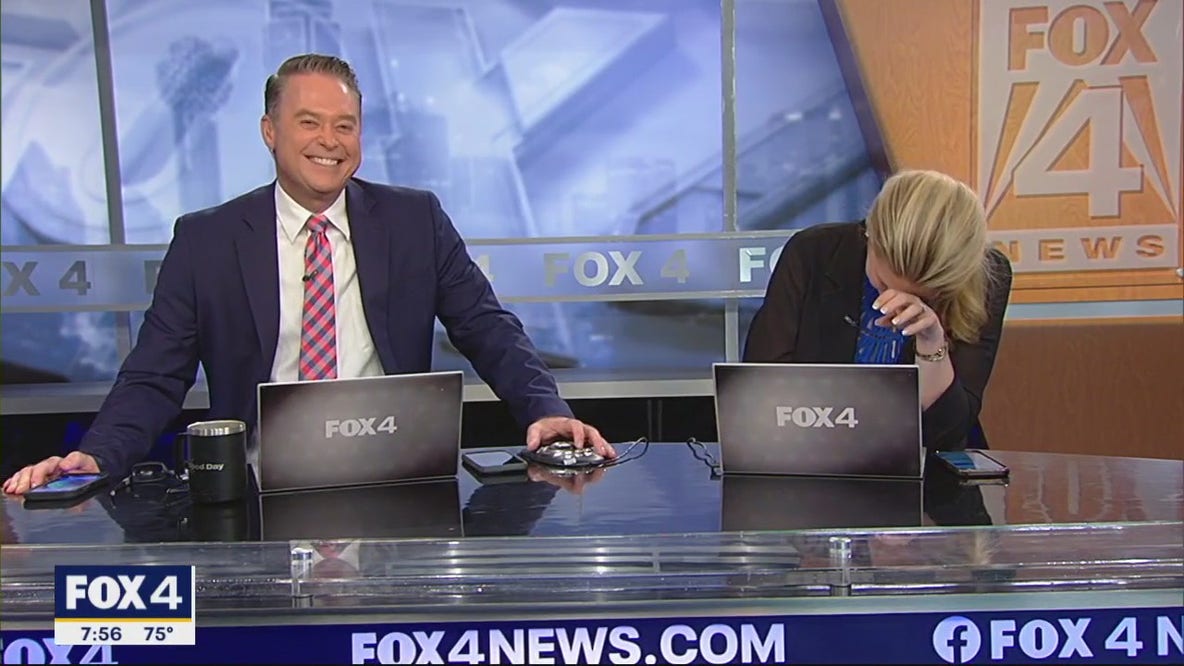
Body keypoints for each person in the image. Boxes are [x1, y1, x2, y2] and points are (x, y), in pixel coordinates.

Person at [4, 54, 614, 495]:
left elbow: (487, 327)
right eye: (309, 122)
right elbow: (154, 375)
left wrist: (543, 408)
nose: (330, 141)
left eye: (345, 125)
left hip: (398, 477)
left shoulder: (414, 220)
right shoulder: (207, 240)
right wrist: (96, 456)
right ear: (270, 132)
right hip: (259, 486)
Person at [743, 169, 1012, 451]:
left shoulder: (986, 277)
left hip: (928, 465)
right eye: (883, 283)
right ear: (870, 234)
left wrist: (932, 343)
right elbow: (760, 391)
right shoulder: (814, 252)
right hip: (808, 452)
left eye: (922, 295)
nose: (894, 300)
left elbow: (948, 434)